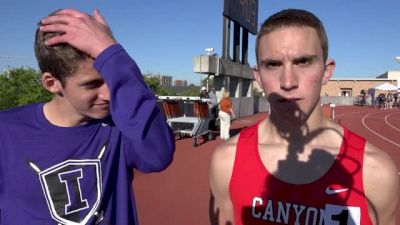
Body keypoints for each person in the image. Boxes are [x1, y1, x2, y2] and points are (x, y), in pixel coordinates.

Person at [209, 9, 399, 225]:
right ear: (258, 76)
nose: (288, 82)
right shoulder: (226, 161)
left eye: (302, 62)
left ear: (327, 71)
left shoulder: (377, 173)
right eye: (273, 65)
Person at [0, 9, 175, 224]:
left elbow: (157, 156)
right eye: (92, 84)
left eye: (110, 78)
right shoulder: (6, 131)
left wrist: (111, 53)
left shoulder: (119, 126)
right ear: (51, 83)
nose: (109, 94)